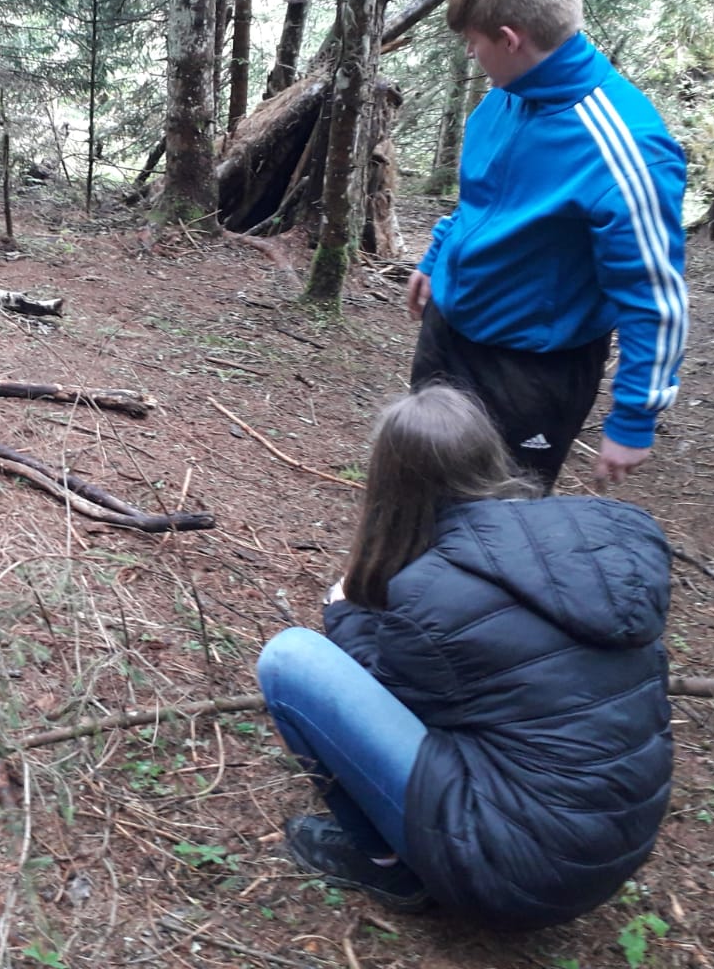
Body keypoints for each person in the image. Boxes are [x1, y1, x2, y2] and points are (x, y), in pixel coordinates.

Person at [254, 385, 673, 929]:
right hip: (612, 850)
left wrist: (343, 612)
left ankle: (386, 867)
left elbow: (391, 698)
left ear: (391, 484)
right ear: (490, 455)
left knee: (290, 660)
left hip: (515, 875)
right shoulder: (590, 542)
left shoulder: (433, 593)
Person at [406, 0, 688, 492]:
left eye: (474, 41)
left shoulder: (626, 150)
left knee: (500, 515)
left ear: (511, 39)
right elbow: (480, 198)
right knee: (417, 479)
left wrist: (634, 418)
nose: (470, 53)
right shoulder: (502, 101)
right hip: (451, 332)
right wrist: (438, 256)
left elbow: (656, 297)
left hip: (532, 370)